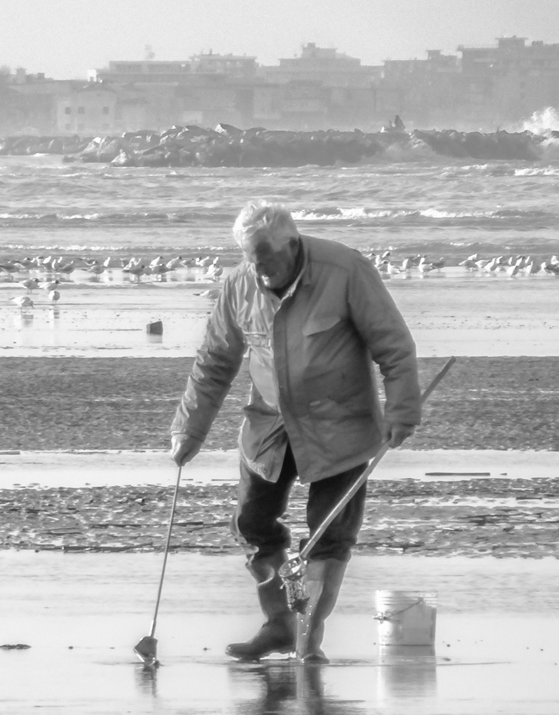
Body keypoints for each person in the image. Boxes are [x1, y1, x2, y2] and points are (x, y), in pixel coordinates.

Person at [170, 200, 421, 663]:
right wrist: (190, 429)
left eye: (265, 256)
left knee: (329, 535)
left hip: (339, 422)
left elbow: (393, 343)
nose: (258, 266)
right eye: (249, 256)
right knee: (251, 522)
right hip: (269, 422)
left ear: (291, 243)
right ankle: (280, 624)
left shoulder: (344, 269)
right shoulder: (239, 283)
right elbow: (214, 362)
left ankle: (308, 638)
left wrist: (402, 409)